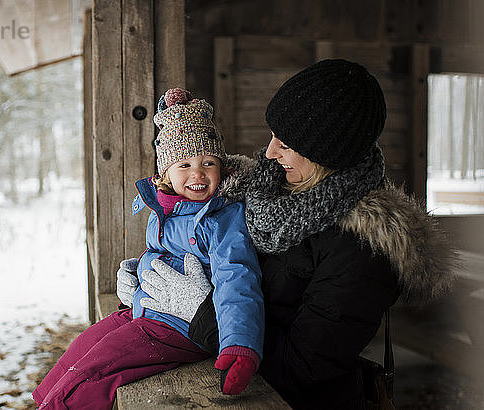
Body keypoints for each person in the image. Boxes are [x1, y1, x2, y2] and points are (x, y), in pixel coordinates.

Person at [116, 60, 457, 409]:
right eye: (273, 133)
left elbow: (303, 367)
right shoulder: (261, 188)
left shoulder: (364, 249)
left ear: (328, 152)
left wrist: (200, 313)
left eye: (288, 143)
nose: (269, 152)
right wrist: (151, 274)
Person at [33, 88, 264, 409]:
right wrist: (139, 270)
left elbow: (238, 279)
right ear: (165, 172)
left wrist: (239, 347)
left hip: (183, 325)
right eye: (183, 163)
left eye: (208, 162)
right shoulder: (165, 207)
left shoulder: (222, 216)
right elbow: (163, 254)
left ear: (222, 168)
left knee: (93, 372)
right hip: (148, 309)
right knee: (78, 351)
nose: (197, 173)